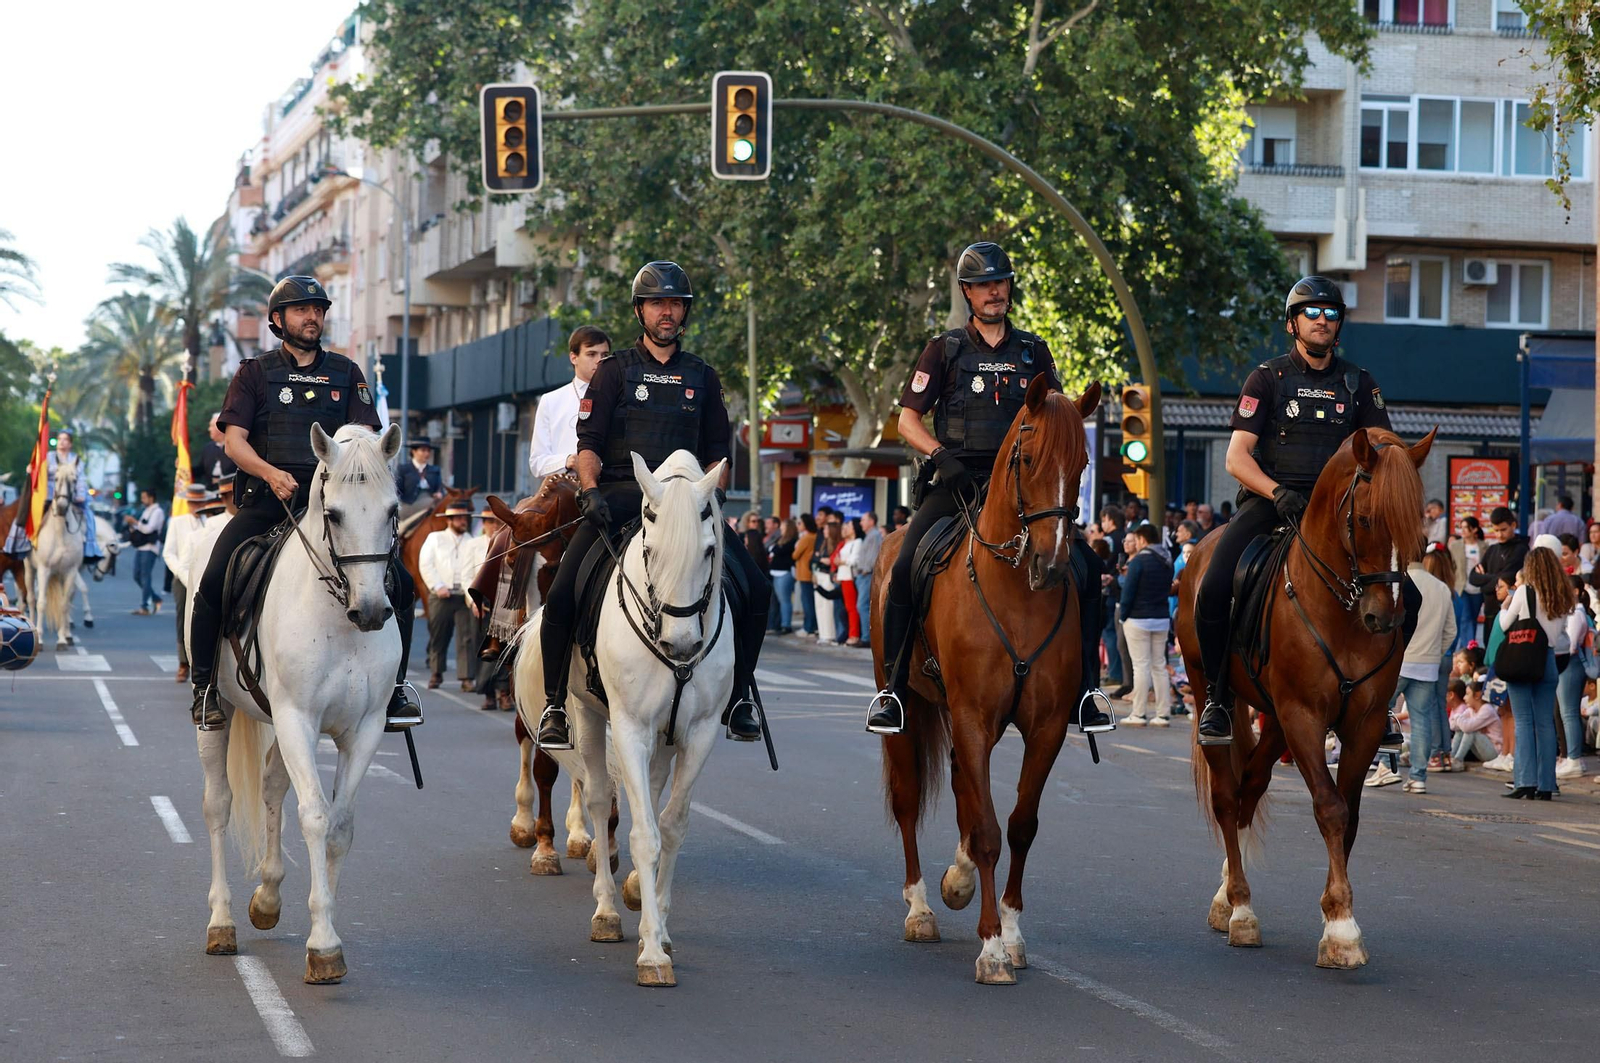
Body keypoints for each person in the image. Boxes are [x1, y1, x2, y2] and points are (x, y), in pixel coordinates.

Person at [867, 241, 1111, 735]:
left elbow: (1055, 415)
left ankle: (1087, 690)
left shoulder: (1033, 351)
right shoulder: (944, 350)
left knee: (1085, 570)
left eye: (1000, 282)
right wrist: (940, 457)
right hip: (956, 479)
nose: (993, 292)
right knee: (907, 563)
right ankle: (893, 689)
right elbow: (907, 420)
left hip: (1024, 488)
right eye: (983, 285)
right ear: (967, 293)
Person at [533, 260, 768, 750]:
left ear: (684, 313)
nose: (668, 311)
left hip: (686, 504)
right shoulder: (613, 371)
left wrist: (711, 494)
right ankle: (556, 703)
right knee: (561, 595)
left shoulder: (702, 376)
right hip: (622, 496)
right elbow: (590, 443)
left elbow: (717, 453)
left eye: (676, 303)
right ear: (640, 310)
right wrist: (591, 490)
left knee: (757, 588)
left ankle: (740, 696)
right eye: (658, 302)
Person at [187, 275, 421, 732]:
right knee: (214, 579)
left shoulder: (346, 373)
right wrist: (270, 473)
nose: (312, 316)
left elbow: (366, 439)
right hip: (268, 501)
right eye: (301, 309)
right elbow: (234, 442)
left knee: (403, 583)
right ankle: (205, 688)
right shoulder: (254, 372)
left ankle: (393, 691)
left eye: (317, 309)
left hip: (333, 510)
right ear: (278, 319)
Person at [1195, 275, 1396, 745]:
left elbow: (1384, 450)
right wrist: (1276, 492)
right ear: (1293, 324)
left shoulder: (1360, 384)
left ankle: (1379, 704)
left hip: (1341, 516)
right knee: (1217, 583)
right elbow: (1236, 457)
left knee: (1408, 594)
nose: (1322, 321)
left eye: (1331, 314)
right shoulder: (1266, 378)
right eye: (1312, 313)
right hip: (1273, 504)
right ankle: (1218, 697)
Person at [1498, 544, 1575, 798]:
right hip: (1549, 659)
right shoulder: (1562, 593)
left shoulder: (1524, 591)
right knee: (1545, 723)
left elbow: (1506, 624)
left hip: (1525, 659)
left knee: (1523, 721)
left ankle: (1525, 781)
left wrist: (1504, 606)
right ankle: (1546, 784)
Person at [1392, 544, 1456, 793]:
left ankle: (1384, 765)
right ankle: (1418, 776)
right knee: (1421, 722)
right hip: (1427, 665)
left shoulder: (1399, 582)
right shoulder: (1441, 587)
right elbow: (1451, 630)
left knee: (1377, 713)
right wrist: (1434, 654)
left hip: (1399, 661)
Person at [530, 325, 612, 479]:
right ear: (573, 357)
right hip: (564, 494)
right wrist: (568, 460)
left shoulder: (621, 397)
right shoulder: (551, 400)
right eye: (591, 354)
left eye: (605, 355)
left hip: (611, 489)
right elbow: (537, 463)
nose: (600, 361)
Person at [420, 499, 478, 692]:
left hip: (463, 595)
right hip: (441, 594)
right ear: (449, 520)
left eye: (465, 518)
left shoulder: (471, 541)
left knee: (466, 637)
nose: (464, 521)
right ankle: (437, 672)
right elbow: (426, 564)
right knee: (439, 635)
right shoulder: (435, 538)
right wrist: (437, 585)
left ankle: (466, 677)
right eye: (459, 518)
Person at [1120, 523, 1175, 726]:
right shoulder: (1166, 561)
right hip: (1161, 617)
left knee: (1140, 666)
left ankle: (1139, 712)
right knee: (1159, 665)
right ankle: (1163, 714)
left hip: (1138, 618)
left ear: (1142, 540)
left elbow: (1128, 593)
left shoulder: (1139, 562)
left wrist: (1122, 616)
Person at [162, 483, 217, 682]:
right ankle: (183, 662)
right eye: (193, 503)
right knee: (183, 619)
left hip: (206, 575)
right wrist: (184, 577)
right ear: (188, 503)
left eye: (200, 503)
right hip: (183, 578)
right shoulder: (177, 522)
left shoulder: (210, 520)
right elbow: (168, 553)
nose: (197, 506)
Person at [466, 505, 512, 710]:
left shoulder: (509, 541)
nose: (494, 525)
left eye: (497, 521)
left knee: (504, 649)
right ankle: (488, 693)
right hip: (481, 601)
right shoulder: (473, 545)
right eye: (490, 521)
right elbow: (466, 574)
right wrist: (472, 601)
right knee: (484, 649)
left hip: (504, 601)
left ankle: (504, 693)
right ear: (483, 524)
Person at [1555, 572, 1593, 779]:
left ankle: (1574, 758)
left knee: (1568, 713)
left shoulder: (1577, 613)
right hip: (1568, 663)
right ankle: (1571, 757)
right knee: (1566, 712)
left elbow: (1570, 645)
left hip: (1571, 663)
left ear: (1576, 592)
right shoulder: (1572, 612)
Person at [1467, 506, 1528, 635]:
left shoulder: (1521, 549)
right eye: (1496, 530)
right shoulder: (1492, 550)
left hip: (1510, 612)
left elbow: (1507, 580)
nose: (1499, 534)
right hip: (1489, 612)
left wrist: (1485, 582)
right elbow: (1472, 577)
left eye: (1503, 530)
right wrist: (1495, 579)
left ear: (1513, 525)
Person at [126, 488, 165, 615]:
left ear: (151, 498)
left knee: (145, 576)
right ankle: (155, 598)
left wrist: (135, 522)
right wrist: (132, 525)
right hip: (141, 547)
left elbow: (149, 529)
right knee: (137, 576)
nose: (142, 500)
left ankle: (145, 606)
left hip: (150, 548)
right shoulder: (146, 511)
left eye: (144, 497)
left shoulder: (157, 511)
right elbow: (140, 527)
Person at [1448, 676, 1503, 767]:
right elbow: (1453, 726)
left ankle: (1458, 760)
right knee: (1462, 729)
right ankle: (1452, 757)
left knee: (1470, 731)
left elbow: (1467, 727)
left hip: (1494, 752)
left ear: (1477, 695)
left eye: (1467, 694)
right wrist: (1461, 721)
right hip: (1482, 750)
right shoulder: (1471, 710)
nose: (1464, 698)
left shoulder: (1487, 710)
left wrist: (1457, 717)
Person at [1450, 514, 1486, 649]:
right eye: (1461, 528)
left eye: (1466, 528)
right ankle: (1467, 650)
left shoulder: (1484, 546)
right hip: (1461, 587)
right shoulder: (1455, 546)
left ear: (1475, 529)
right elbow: (1451, 566)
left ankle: (1468, 647)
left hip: (1478, 588)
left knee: (1473, 619)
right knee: (1466, 619)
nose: (1463, 531)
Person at [395, 438, 444, 521]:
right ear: (414, 451)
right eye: (423, 450)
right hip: (409, 504)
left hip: (431, 503)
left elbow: (440, 488)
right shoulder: (403, 469)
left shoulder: (435, 470)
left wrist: (439, 494)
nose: (427, 454)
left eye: (428, 451)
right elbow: (398, 490)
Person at [855, 511, 883, 643]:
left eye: (863, 520)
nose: (861, 523)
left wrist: (865, 571)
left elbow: (872, 558)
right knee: (862, 605)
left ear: (871, 521)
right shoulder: (870, 536)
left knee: (863, 605)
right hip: (862, 575)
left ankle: (867, 638)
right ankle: (866, 636)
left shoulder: (874, 535)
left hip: (866, 575)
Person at [769, 518, 799, 634]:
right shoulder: (780, 539)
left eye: (783, 526)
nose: (781, 528)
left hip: (785, 573)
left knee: (785, 600)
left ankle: (786, 624)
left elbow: (777, 551)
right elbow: (773, 549)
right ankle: (779, 624)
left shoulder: (792, 541)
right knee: (778, 601)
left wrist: (776, 550)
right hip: (775, 572)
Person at [194, 413, 236, 488]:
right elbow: (200, 470)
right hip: (212, 491)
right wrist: (184, 466)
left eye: (211, 426)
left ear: (219, 427)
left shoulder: (235, 447)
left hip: (231, 490)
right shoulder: (208, 448)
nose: (209, 429)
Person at [794, 514, 818, 636]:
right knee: (811, 601)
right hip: (810, 572)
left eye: (800, 523)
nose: (798, 526)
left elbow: (795, 555)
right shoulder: (815, 536)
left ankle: (808, 627)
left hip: (804, 573)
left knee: (807, 602)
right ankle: (812, 626)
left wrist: (797, 545)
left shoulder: (806, 538)